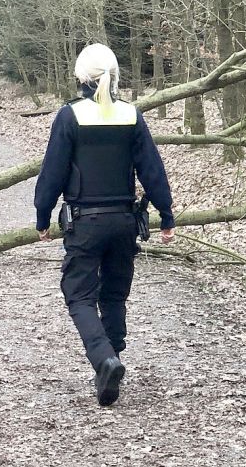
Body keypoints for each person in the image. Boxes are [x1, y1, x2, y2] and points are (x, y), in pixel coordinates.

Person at [33, 43, 175, 407]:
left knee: (78, 295)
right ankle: (111, 363)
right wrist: (166, 215)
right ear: (114, 76)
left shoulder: (70, 116)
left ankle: (104, 359)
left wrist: (42, 215)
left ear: (80, 77)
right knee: (114, 295)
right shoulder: (131, 115)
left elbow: (52, 172)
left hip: (84, 223)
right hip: (125, 222)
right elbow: (152, 170)